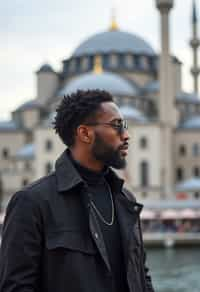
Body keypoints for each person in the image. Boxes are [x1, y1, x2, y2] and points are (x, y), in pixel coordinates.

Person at [0, 90, 154, 292]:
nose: (126, 135)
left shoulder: (126, 199)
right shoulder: (32, 202)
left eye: (125, 126)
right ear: (84, 133)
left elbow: (141, 275)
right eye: (117, 126)